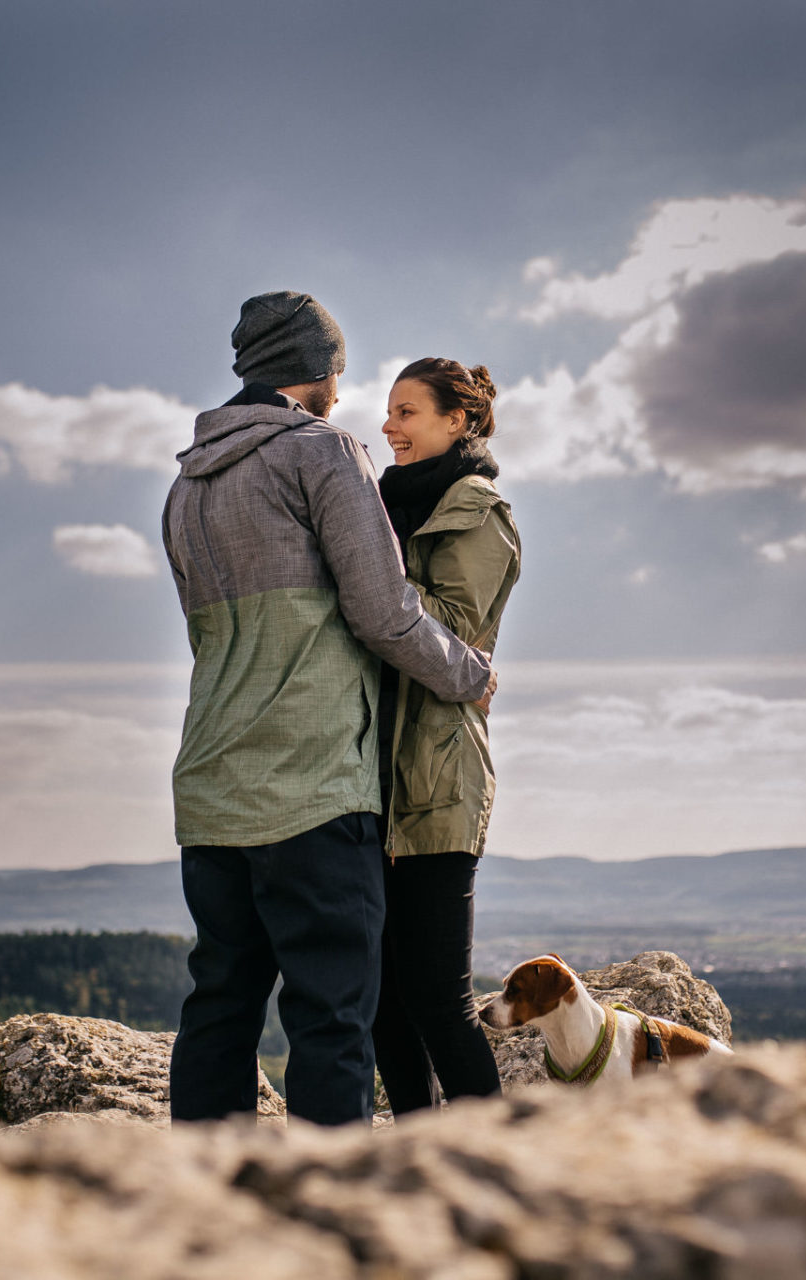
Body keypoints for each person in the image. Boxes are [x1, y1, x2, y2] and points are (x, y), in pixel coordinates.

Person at [160, 292, 497, 1127]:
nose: (345, 396)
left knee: (221, 1004)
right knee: (331, 1014)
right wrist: (468, 674)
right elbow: (383, 613)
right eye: (339, 375)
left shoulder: (185, 485)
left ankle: (204, 1188)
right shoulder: (323, 452)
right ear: (317, 371)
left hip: (210, 786)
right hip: (312, 787)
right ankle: (331, 1197)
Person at [369, 357, 521, 1115]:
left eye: (406, 412)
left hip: (437, 776)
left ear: (456, 420)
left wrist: (367, 568)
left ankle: (491, 1151)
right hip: (371, 775)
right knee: (381, 1001)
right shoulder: (387, 506)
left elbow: (453, 633)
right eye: (388, 411)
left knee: (436, 996)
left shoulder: (477, 512)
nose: (388, 427)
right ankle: (419, 1150)